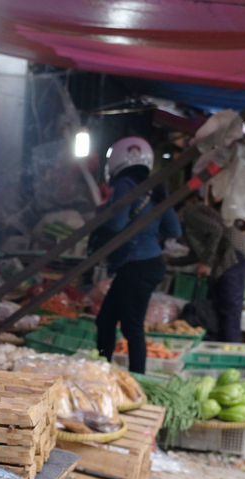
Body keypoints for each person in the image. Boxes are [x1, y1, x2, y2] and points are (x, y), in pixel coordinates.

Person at [93, 136, 181, 373]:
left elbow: (116, 225)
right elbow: (174, 229)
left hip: (135, 265)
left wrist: (103, 217)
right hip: (150, 264)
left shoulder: (125, 185)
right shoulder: (157, 188)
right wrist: (150, 231)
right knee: (106, 319)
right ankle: (104, 369)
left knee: (131, 326)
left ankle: (136, 379)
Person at [172, 192, 245, 342]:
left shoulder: (191, 212)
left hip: (234, 253)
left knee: (229, 304)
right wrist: (171, 261)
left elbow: (216, 230)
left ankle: (230, 349)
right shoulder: (190, 217)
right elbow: (197, 253)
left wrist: (207, 263)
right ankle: (221, 343)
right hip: (232, 253)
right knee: (219, 303)